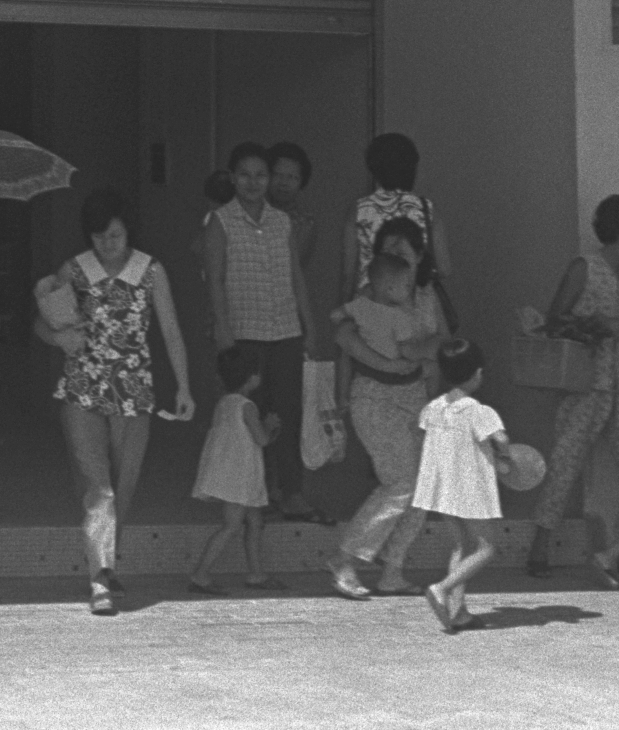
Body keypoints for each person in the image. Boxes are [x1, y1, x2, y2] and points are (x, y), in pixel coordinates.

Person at [37, 186, 196, 616]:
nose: (108, 245)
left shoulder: (151, 271)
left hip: (134, 391)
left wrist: (183, 386)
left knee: (122, 488)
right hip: (82, 386)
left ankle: (104, 563)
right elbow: (43, 320)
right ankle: (100, 579)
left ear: (130, 234)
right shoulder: (74, 269)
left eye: (116, 236)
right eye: (100, 236)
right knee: (99, 489)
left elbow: (171, 331)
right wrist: (58, 337)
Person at [528, 193, 619, 581]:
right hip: (584, 385)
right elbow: (554, 321)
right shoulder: (584, 267)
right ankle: (539, 547)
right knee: (565, 463)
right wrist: (603, 325)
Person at [202, 139, 327, 523]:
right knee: (249, 416)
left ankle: (291, 493)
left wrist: (309, 326)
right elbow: (215, 280)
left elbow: (296, 277)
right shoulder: (220, 221)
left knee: (287, 412)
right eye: (245, 175)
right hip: (244, 333)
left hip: (284, 330)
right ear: (233, 179)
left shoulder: (281, 221)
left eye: (260, 175)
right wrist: (224, 334)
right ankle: (253, 493)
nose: (253, 182)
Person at [326, 215, 446, 600]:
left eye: (402, 250)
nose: (394, 257)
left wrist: (435, 399)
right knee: (400, 483)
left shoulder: (428, 297)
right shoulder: (370, 294)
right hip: (376, 394)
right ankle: (346, 558)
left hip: (416, 397)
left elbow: (438, 347)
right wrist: (390, 364)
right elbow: (343, 336)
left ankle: (393, 569)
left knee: (421, 487)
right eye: (388, 250)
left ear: (418, 254)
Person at [411, 338, 521, 634]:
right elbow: (501, 440)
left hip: (442, 488)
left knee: (462, 545)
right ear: (477, 374)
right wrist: (506, 459)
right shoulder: (478, 411)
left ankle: (459, 614)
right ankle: (441, 588)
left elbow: (426, 438)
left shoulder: (432, 408)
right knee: (487, 549)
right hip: (470, 488)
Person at [187, 343, 279, 593]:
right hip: (240, 477)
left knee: (255, 521)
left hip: (237, 475)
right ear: (251, 378)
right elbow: (261, 439)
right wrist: (270, 425)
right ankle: (200, 574)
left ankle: (257, 573)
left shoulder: (224, 403)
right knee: (232, 526)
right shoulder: (247, 407)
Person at [345, 132, 456, 327]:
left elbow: (348, 272)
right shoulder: (426, 208)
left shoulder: (359, 210)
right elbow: (445, 268)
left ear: (374, 168)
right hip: (416, 308)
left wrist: (345, 313)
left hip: (371, 306)